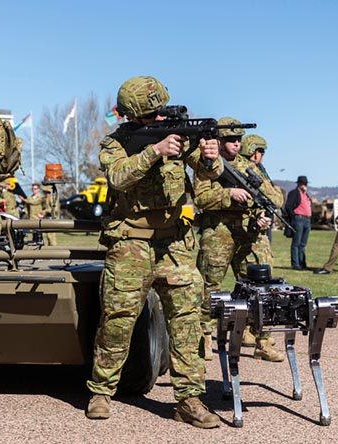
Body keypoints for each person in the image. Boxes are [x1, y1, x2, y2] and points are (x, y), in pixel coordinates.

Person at [85, 76, 222, 428]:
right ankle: (101, 390)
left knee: (188, 322)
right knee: (117, 320)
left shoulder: (178, 133)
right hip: (130, 243)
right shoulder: (116, 143)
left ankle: (189, 399)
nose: (158, 120)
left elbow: (209, 173)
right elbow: (117, 177)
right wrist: (155, 151)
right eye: (150, 116)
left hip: (175, 244)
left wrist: (210, 159)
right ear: (133, 117)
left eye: (159, 112)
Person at [195, 119, 285, 363]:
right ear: (219, 141)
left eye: (238, 140)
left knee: (262, 287)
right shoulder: (207, 164)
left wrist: (262, 215)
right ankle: (202, 338)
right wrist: (228, 194)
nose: (236, 144)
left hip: (248, 232)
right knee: (208, 287)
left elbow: (273, 196)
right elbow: (201, 198)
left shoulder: (248, 167)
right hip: (218, 231)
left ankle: (263, 340)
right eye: (230, 140)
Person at [284, 176, 312, 270]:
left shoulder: (306, 195)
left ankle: (302, 263)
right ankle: (296, 264)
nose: (305, 186)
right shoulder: (294, 193)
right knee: (296, 243)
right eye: (303, 184)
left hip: (307, 220)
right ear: (299, 184)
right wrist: (294, 217)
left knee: (303, 244)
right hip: (298, 219)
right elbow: (288, 206)